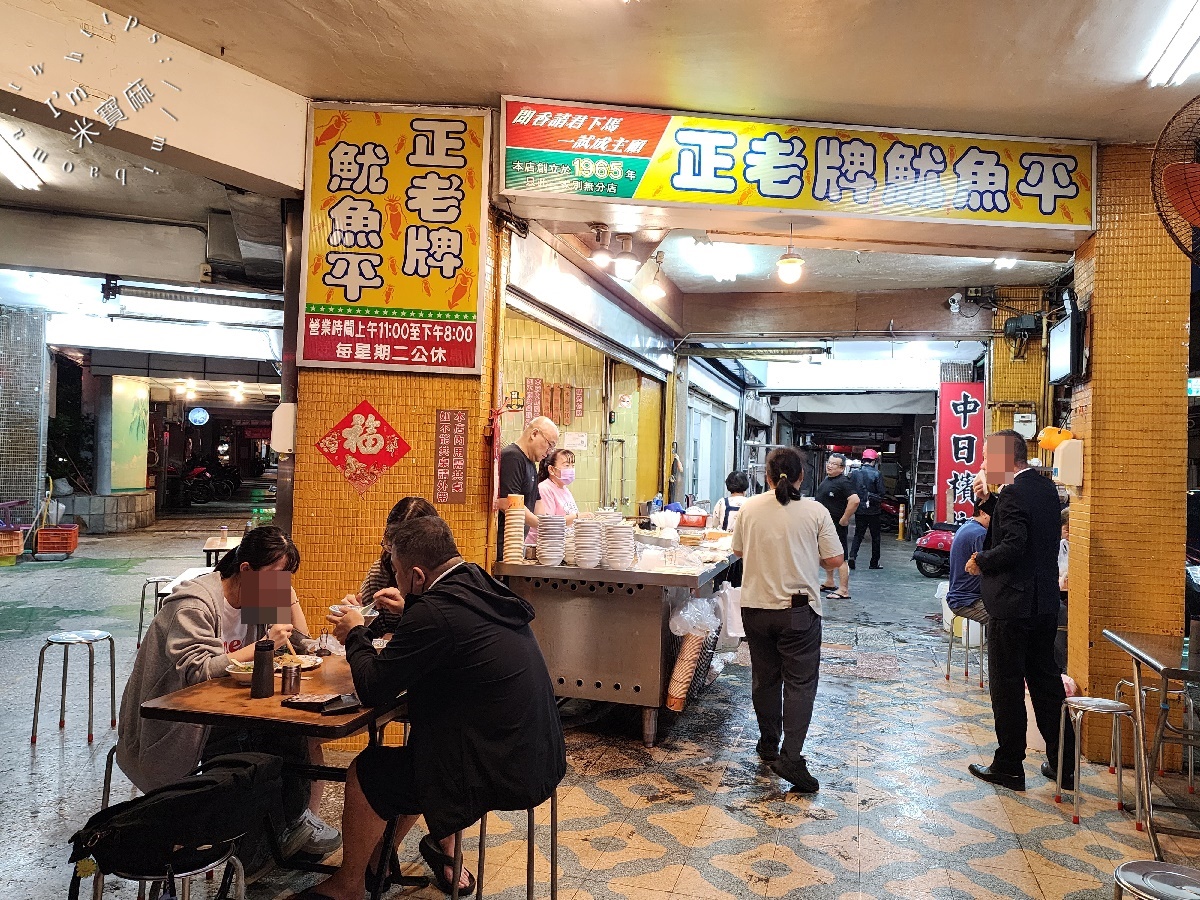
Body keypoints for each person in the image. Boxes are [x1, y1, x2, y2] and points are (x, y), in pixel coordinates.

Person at [307, 516, 566, 900]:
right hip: (538, 756)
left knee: (369, 771)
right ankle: (379, 861)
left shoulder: (434, 613)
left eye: (394, 571)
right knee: (418, 757)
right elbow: (450, 635)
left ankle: (347, 886)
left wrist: (355, 634)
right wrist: (406, 611)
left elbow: (375, 688)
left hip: (499, 769)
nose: (392, 579)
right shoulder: (479, 582)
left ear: (415, 574)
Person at [117, 526, 342, 858]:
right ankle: (254, 847)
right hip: (178, 726)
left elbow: (291, 644)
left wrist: (322, 647)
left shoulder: (260, 593)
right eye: (278, 576)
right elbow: (198, 672)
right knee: (258, 750)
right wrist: (264, 646)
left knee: (291, 734)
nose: (283, 588)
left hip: (229, 711)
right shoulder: (194, 603)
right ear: (247, 570)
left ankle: (286, 829)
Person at [965, 430, 1075, 792]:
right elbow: (1021, 528)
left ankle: (1009, 765)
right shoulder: (1043, 488)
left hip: (1012, 606)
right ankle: (1065, 764)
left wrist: (981, 559)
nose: (981, 465)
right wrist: (987, 501)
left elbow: (1013, 545)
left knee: (1007, 686)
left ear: (1006, 460)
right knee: (1046, 682)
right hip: (1044, 604)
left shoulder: (1013, 492)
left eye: (986, 458)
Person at [731, 447, 843, 793]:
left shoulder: (749, 508)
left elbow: (737, 551)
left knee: (765, 679)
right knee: (799, 684)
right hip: (798, 612)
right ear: (801, 476)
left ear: (767, 476)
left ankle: (768, 744)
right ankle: (790, 757)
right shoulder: (815, 511)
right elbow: (835, 560)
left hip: (755, 609)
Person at [358, 496, 439, 639]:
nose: (396, 554)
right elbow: (371, 635)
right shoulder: (380, 573)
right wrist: (359, 617)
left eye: (405, 545)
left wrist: (407, 613)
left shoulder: (444, 579)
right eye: (392, 542)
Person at [497, 416, 559, 557]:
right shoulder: (513, 457)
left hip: (517, 544)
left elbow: (537, 501)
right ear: (534, 434)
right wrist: (545, 526)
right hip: (504, 545)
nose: (549, 451)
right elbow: (511, 504)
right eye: (550, 444)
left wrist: (547, 523)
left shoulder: (530, 462)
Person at [815, 454, 859, 599]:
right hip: (825, 525)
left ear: (842, 468)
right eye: (829, 462)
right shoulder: (829, 479)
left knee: (840, 556)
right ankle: (829, 581)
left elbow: (855, 500)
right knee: (827, 553)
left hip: (836, 525)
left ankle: (844, 590)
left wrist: (845, 518)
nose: (830, 465)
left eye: (834, 464)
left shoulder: (843, 482)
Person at [946, 502, 991, 625]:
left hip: (960, 595)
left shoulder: (967, 526)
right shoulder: (980, 534)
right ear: (983, 513)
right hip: (967, 600)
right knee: (1002, 622)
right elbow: (989, 568)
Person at [531, 448, 579, 544]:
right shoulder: (544, 488)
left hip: (562, 545)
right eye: (566, 465)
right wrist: (577, 517)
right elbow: (549, 522)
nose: (571, 469)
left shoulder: (565, 489)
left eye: (572, 466)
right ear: (551, 469)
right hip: (547, 547)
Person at [712, 470, 750, 588]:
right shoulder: (751, 503)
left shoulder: (722, 502)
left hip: (724, 551)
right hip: (745, 551)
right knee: (740, 585)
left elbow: (714, 526)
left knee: (722, 585)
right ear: (745, 486)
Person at [849, 449, 884, 570]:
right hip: (874, 510)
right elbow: (881, 492)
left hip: (859, 508)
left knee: (858, 534)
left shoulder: (854, 473)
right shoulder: (877, 474)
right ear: (874, 461)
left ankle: (852, 556)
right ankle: (874, 563)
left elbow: (851, 490)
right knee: (876, 537)